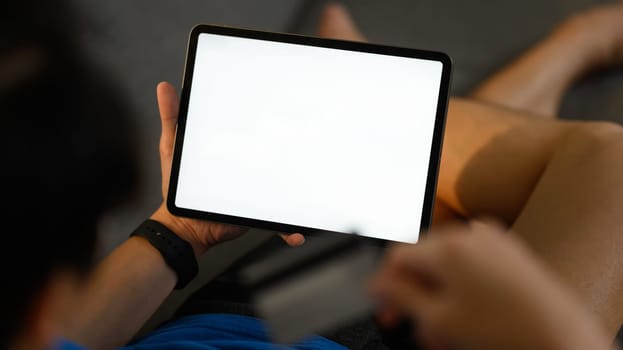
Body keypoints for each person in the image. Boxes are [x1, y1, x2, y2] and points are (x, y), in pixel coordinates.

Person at [4, 1, 623, 350]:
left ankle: (355, 83)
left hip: (248, 318)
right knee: (601, 168)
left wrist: (182, 231)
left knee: (404, 201)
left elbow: (63, 340)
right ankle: (568, 46)